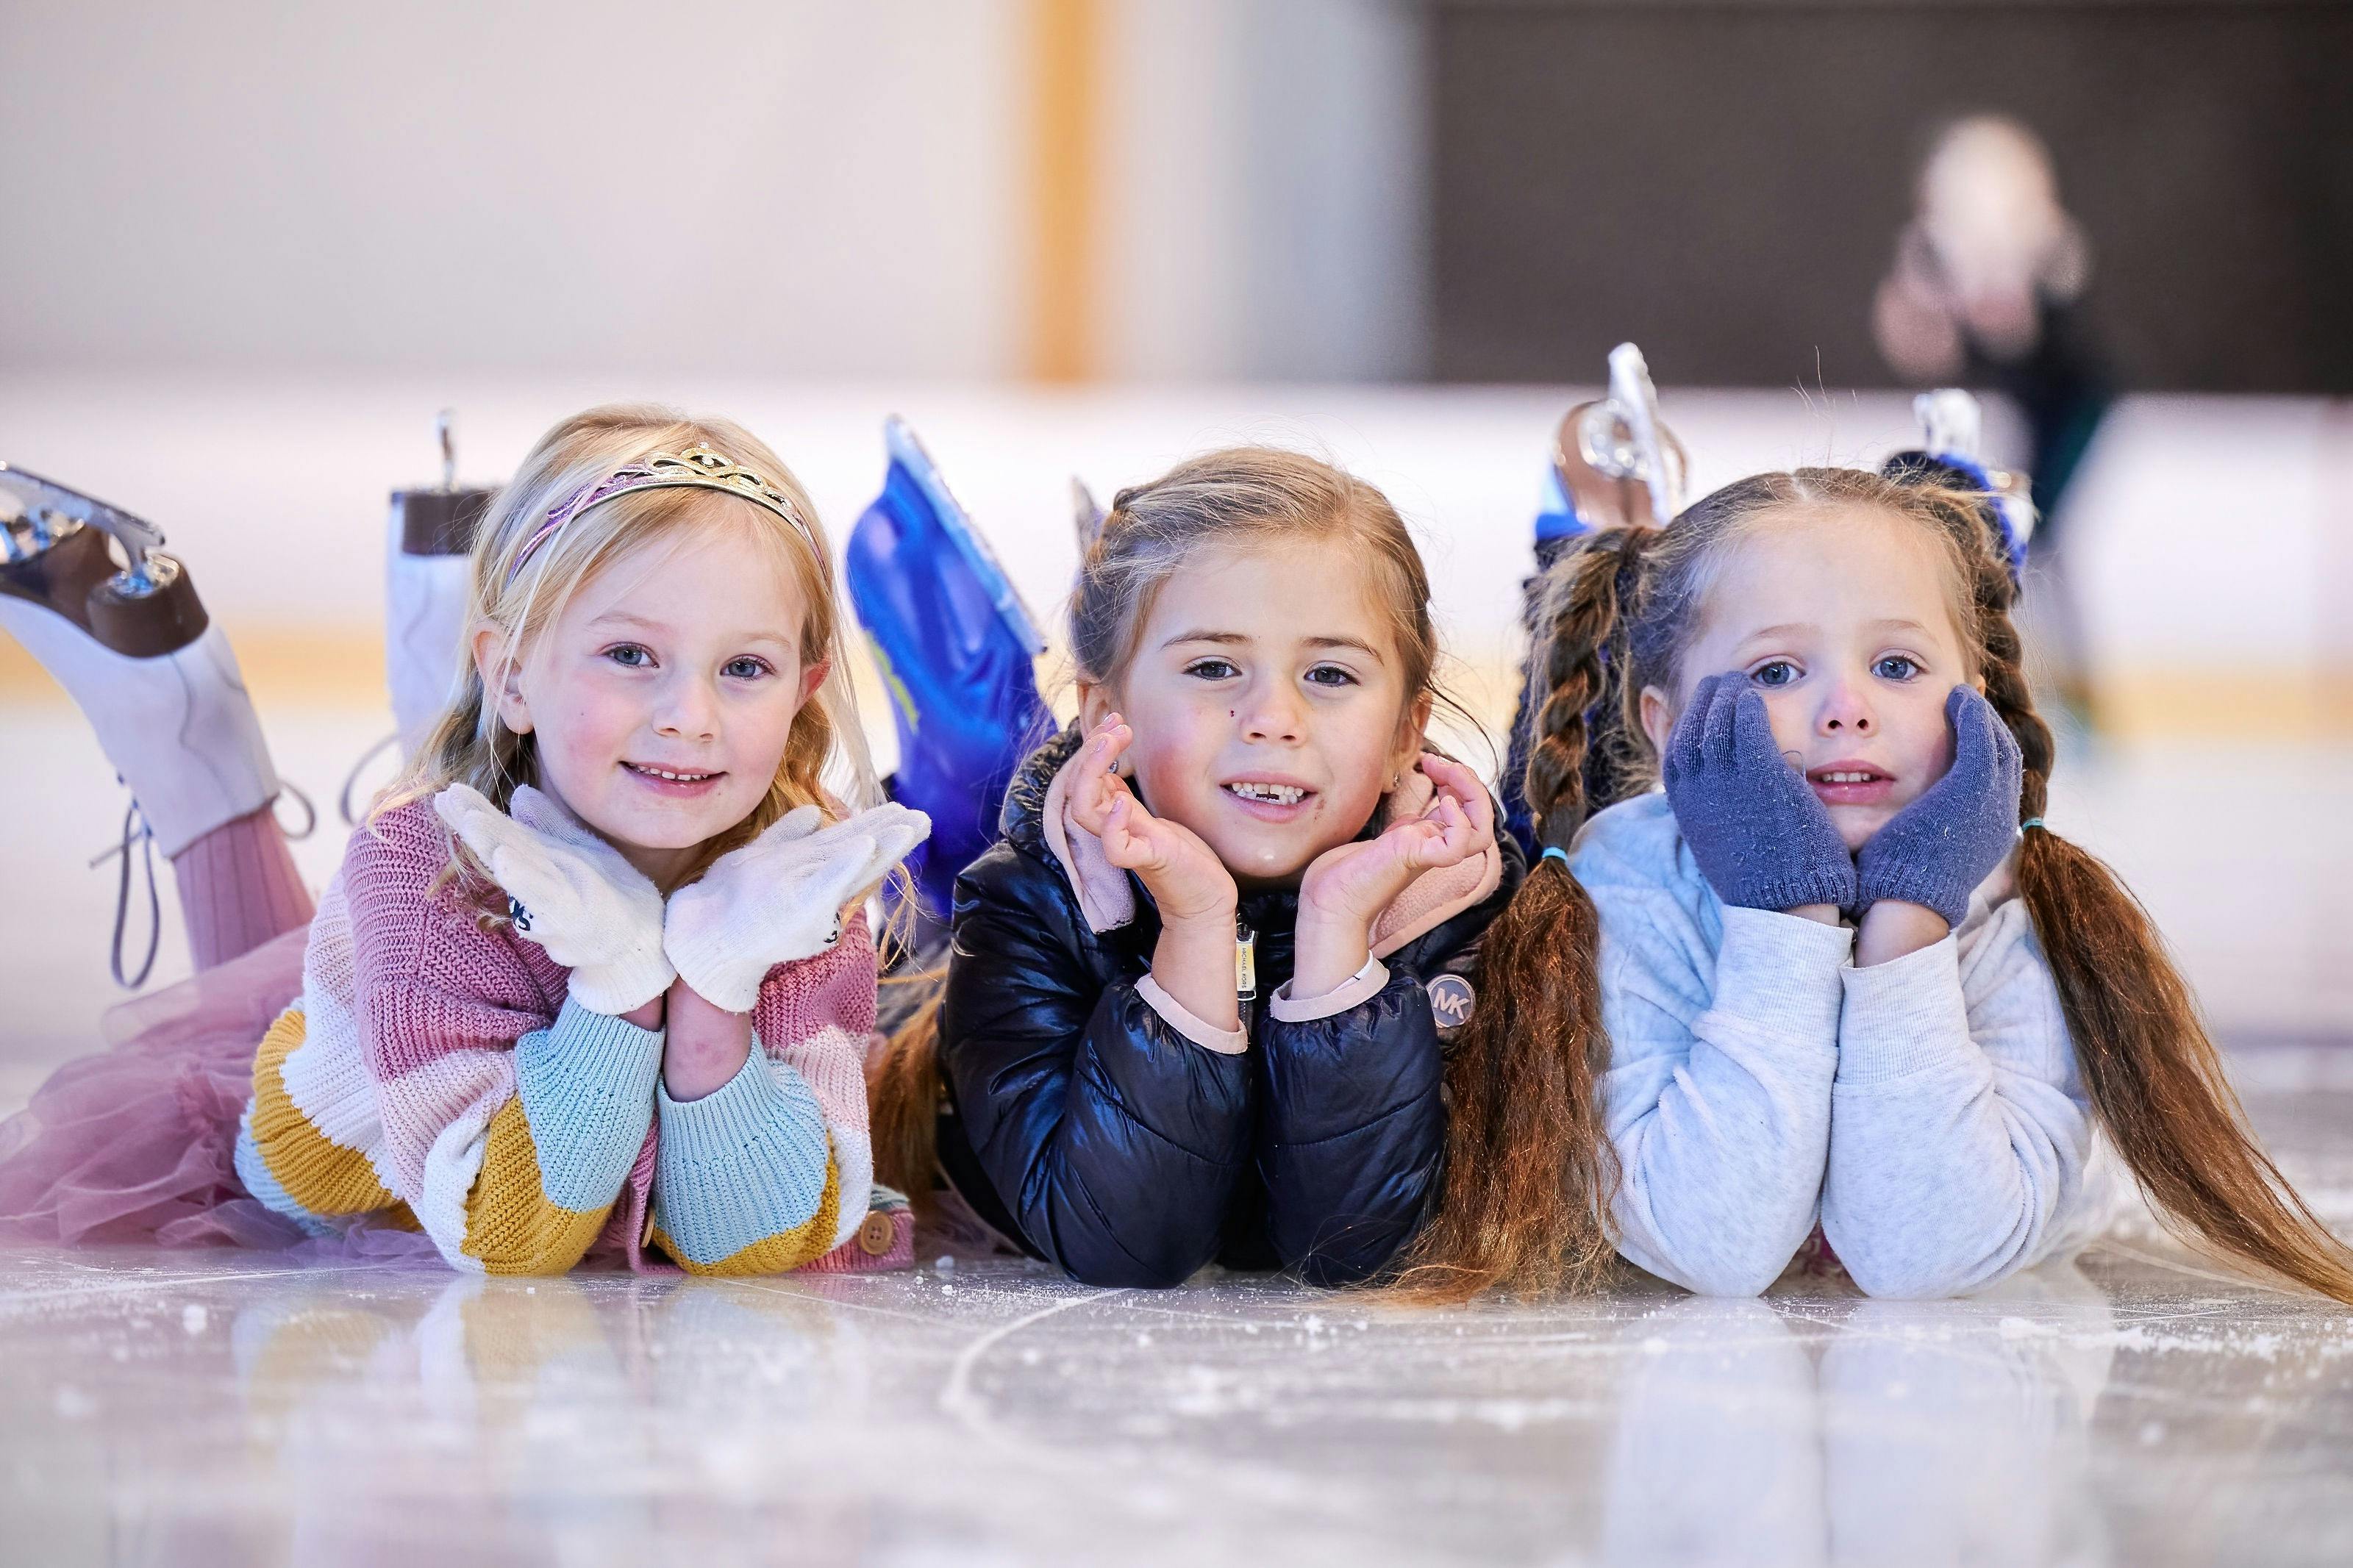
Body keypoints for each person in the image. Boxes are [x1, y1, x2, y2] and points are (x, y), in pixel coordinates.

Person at [0, 407, 927, 1277]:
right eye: (630, 654)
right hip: (361, 1155)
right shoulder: (418, 876)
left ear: (801, 693)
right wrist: (619, 989)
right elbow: (509, 1240)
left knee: (466, 811)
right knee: (344, 916)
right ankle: (185, 724)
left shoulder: (797, 896)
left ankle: (421, 683)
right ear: (514, 675)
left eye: (743, 667)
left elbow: (746, 1244)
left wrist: (715, 992)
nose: (689, 717)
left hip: (483, 994)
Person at [1434, 463, 2353, 1301]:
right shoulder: (1628, 887)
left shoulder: (2016, 910)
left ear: (1976, 699)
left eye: (1897, 666)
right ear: (1670, 727)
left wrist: (1911, 924)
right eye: (1779, 671)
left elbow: (1925, 1254)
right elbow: (1713, 1245)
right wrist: (1784, 915)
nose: (1848, 708)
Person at [869, 448, 1521, 1286]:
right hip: (943, 988)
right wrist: (1195, 927)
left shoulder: (1458, 902)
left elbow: (1355, 1248)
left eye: (1329, 674)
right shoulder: (1028, 903)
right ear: (1109, 714)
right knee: (924, 924)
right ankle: (965, 768)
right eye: (1213, 668)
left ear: (1406, 733)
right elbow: (1121, 1241)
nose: (1272, 719)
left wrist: (1338, 945)